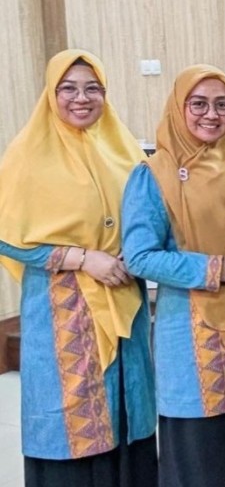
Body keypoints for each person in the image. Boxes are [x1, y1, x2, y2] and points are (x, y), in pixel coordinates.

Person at [121, 64, 225, 487]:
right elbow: (139, 256)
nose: (211, 115)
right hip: (193, 338)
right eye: (198, 104)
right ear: (180, 108)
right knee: (203, 460)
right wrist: (215, 268)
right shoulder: (152, 175)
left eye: (223, 104)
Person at [0, 49, 157, 486]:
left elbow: (150, 211)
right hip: (63, 308)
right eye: (68, 88)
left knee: (127, 408)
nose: (81, 98)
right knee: (72, 413)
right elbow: (7, 233)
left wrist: (136, 248)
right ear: (51, 94)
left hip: (123, 293)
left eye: (93, 88)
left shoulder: (122, 147)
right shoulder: (27, 155)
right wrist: (84, 258)